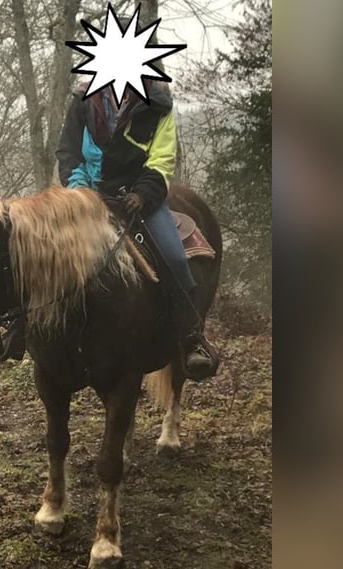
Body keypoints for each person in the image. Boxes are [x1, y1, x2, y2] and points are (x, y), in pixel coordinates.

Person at [56, 81, 216, 379]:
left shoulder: (158, 105)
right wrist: (80, 191)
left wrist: (143, 192)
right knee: (43, 251)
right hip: (87, 196)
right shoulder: (81, 102)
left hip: (139, 200)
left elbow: (162, 157)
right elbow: (68, 152)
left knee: (175, 258)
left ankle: (191, 337)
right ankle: (28, 331)